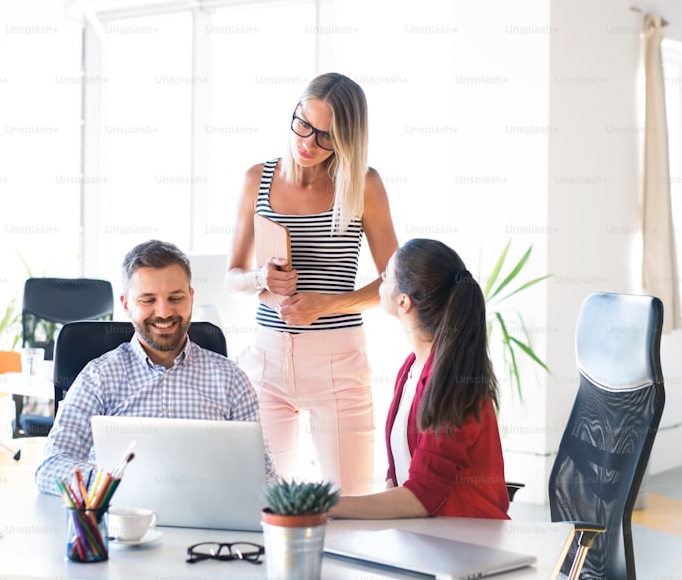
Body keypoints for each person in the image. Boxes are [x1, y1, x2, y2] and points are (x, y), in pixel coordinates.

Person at [226, 72, 399, 496]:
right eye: (303, 124)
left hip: (337, 365)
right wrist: (259, 279)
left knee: (350, 505)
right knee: (265, 504)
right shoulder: (256, 180)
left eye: (325, 136)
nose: (307, 142)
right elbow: (233, 277)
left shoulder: (363, 185)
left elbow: (396, 283)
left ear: (346, 139)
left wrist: (327, 305)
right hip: (267, 361)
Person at [35, 239, 265, 496]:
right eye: (148, 300)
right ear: (126, 305)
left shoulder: (232, 380)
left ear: (191, 298)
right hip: (120, 528)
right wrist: (122, 486)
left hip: (209, 530)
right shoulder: (98, 378)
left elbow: (264, 474)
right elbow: (51, 466)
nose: (164, 312)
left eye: (175, 298)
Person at [327, 238, 510, 519]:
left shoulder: (453, 382)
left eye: (387, 275)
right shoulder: (411, 368)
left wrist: (328, 506)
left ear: (403, 302)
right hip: (425, 538)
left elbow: (423, 496)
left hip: (467, 544)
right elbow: (398, 474)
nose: (381, 279)